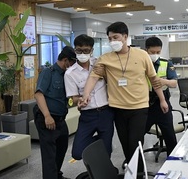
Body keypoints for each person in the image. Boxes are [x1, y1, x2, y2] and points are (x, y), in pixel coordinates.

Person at [79, 22, 168, 172]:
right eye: (110, 38)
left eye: (115, 37)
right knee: (125, 144)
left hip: (139, 107)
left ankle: (139, 173)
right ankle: (132, 170)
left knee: (135, 143)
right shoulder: (105, 59)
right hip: (118, 109)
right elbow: (93, 77)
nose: (112, 41)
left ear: (125, 37)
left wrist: (162, 100)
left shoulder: (142, 55)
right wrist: (85, 95)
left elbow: (154, 79)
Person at [64, 34, 114, 160]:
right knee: (77, 152)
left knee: (106, 152)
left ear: (92, 50)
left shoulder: (100, 64)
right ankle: (100, 142)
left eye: (86, 51)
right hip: (88, 115)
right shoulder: (70, 74)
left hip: (105, 112)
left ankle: (103, 172)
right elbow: (72, 98)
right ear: (75, 50)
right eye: (79, 50)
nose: (82, 54)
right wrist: (79, 100)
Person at [33, 46, 76, 179]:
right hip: (47, 117)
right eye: (72, 62)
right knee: (49, 153)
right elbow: (39, 94)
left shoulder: (67, 75)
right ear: (65, 60)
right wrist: (47, 116)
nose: (73, 65)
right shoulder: (48, 72)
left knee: (62, 146)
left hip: (60, 119)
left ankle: (56, 174)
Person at [145, 36, 178, 155]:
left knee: (169, 135)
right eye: (152, 52)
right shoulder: (141, 64)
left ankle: (172, 157)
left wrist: (164, 81)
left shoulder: (166, 63)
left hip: (162, 104)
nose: (155, 54)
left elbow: (174, 83)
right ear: (146, 50)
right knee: (137, 135)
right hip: (145, 105)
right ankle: (135, 161)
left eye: (158, 52)